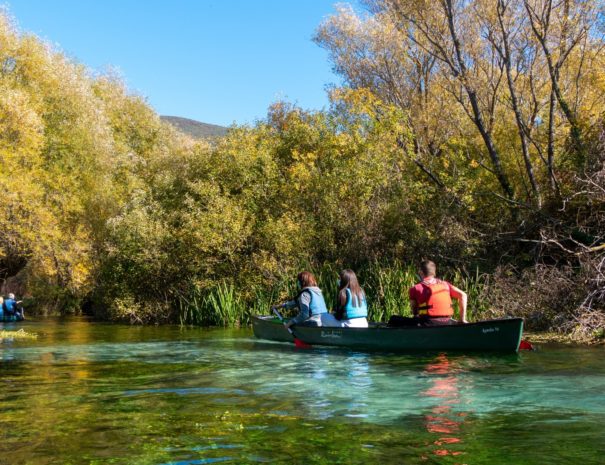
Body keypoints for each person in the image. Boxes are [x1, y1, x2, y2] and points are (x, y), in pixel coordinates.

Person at [409, 260, 467, 326]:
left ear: (421, 272)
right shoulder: (446, 285)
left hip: (428, 323)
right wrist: (462, 319)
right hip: (447, 322)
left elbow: (414, 311)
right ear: (434, 272)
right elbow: (463, 295)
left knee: (395, 319)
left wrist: (416, 315)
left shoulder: (415, 288)